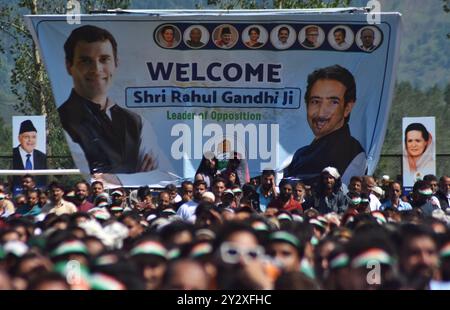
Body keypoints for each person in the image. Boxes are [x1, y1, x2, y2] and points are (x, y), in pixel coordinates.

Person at [58, 25, 174, 186]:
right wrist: (143, 176)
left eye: (104, 59)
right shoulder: (63, 121)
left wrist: (119, 179)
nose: (96, 69)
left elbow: (167, 177)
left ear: (116, 63)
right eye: (85, 61)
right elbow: (86, 177)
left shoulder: (137, 123)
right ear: (69, 66)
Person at [284, 65, 367, 186]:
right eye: (315, 101)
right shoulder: (300, 154)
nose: (321, 112)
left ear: (347, 108)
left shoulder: (354, 154)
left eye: (333, 102)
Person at [12, 120, 47, 191]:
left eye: (34, 137)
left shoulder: (42, 156)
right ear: (19, 138)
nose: (30, 140)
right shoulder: (12, 154)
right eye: (26, 137)